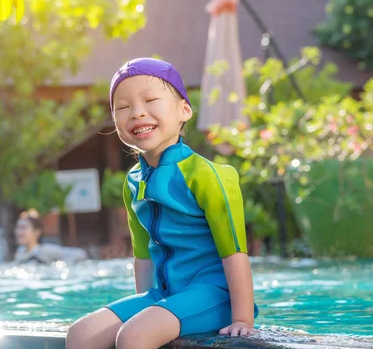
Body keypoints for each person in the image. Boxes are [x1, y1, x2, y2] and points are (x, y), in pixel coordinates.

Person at [67, 58, 258, 349]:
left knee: (134, 336)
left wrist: (243, 319)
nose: (137, 113)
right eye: (123, 106)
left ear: (185, 110)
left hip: (215, 295)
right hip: (165, 296)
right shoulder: (133, 181)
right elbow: (143, 255)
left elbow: (234, 253)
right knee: (81, 335)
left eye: (150, 100)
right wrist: (147, 313)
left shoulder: (208, 176)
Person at [13, 208, 88, 264]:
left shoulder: (44, 250)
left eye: (24, 227)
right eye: (18, 227)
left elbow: (80, 253)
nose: (19, 231)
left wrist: (59, 267)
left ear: (37, 232)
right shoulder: (20, 252)